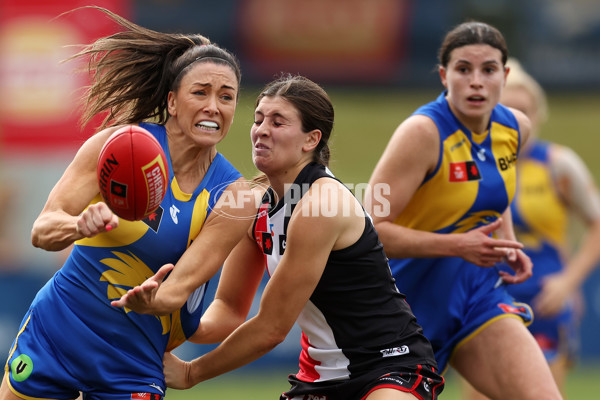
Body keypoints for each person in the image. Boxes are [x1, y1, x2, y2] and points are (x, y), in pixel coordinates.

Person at [123, 74, 445, 399]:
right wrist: (173, 324)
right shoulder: (252, 204)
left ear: (311, 140)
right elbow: (230, 307)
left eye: (278, 122)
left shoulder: (320, 206)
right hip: (319, 379)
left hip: (389, 363)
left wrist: (193, 372)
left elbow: (272, 328)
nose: (261, 130)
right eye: (258, 119)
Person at [0, 6, 254, 400]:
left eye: (227, 97)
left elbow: (179, 289)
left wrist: (152, 298)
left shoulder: (235, 196)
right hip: (55, 333)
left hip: (132, 362)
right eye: (200, 93)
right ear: (172, 102)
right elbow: (42, 230)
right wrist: (77, 226)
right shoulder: (118, 146)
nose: (213, 106)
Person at [363, 21, 563, 399]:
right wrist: (456, 245)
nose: (476, 82)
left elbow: (492, 193)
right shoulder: (422, 133)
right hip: (403, 306)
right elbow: (367, 231)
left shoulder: (515, 128)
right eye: (463, 69)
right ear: (443, 75)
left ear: (504, 75)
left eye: (488, 70)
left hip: (475, 292)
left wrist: (508, 242)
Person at [461, 59, 600, 399]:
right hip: (486, 297)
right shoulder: (468, 163)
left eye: (525, 109)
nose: (518, 118)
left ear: (538, 115)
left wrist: (569, 282)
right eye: (507, 108)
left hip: (545, 300)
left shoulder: (557, 164)